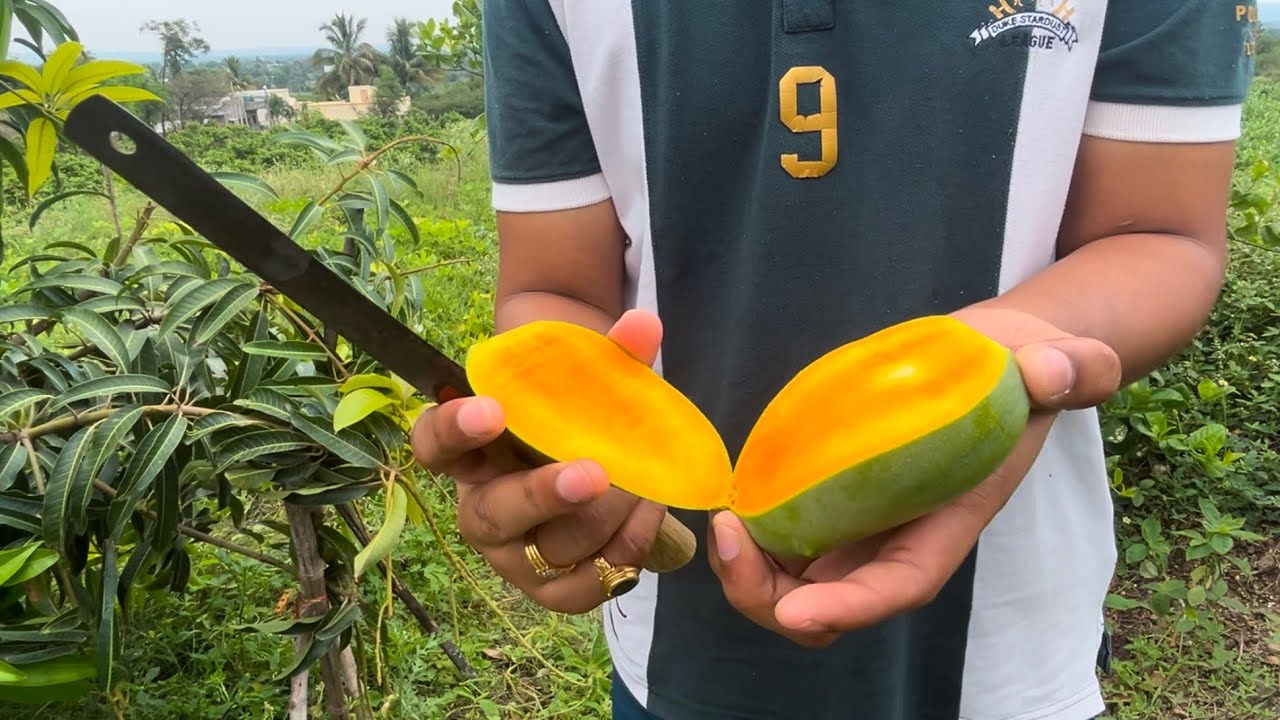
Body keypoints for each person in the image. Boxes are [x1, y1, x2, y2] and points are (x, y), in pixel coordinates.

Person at [411, 1, 1257, 718]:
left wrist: (1003, 359)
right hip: (675, 642)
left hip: (1008, 637)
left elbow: (1161, 234)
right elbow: (554, 285)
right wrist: (561, 454)